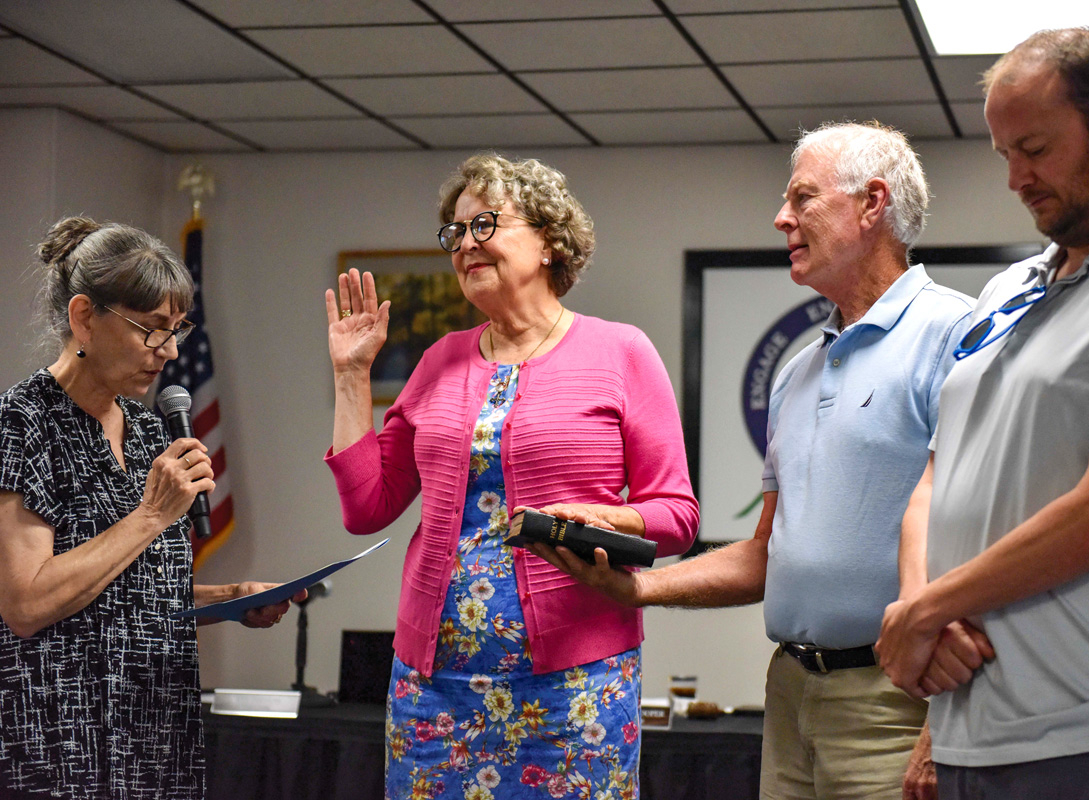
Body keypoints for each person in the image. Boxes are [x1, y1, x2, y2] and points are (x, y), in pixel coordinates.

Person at [538, 122, 988, 800]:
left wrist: (946, 726)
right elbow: (764, 553)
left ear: (871, 205)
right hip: (790, 695)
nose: (782, 217)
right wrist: (637, 587)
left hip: (899, 701)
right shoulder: (796, 373)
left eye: (802, 198)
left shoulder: (959, 333)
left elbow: (992, 534)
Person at [877, 28, 1089, 799]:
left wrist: (927, 611)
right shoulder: (1009, 288)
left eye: (1035, 149)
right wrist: (926, 620)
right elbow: (938, 475)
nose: (1017, 178)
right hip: (972, 722)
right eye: (1004, 156)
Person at [323, 153, 698, 800]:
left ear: (550, 240)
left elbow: (677, 517)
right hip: (434, 689)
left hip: (574, 686)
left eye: (485, 224)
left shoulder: (622, 352)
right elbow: (368, 506)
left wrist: (608, 520)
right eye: (455, 232)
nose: (465, 244)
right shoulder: (440, 360)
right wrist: (352, 376)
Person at [0, 217, 303, 800]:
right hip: (62, 747)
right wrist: (150, 516)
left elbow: (129, 596)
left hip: (157, 737)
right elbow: (27, 603)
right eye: (151, 330)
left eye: (177, 331)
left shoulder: (147, 430)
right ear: (84, 316)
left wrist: (225, 601)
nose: (167, 352)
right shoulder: (21, 423)